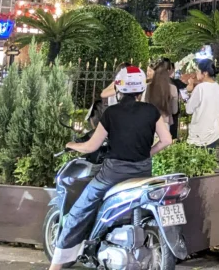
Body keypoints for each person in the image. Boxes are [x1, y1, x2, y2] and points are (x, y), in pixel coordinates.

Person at [48, 66, 171, 270]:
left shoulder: (111, 113)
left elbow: (92, 146)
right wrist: (145, 154)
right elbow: (166, 140)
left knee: (79, 211)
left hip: (112, 175)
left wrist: (72, 146)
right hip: (143, 174)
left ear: (119, 87)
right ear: (141, 89)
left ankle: (56, 267)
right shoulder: (151, 111)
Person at [185, 59, 219, 149]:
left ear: (205, 73)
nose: (196, 73)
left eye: (198, 71)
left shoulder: (200, 88)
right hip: (214, 134)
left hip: (199, 135)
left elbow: (189, 110)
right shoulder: (217, 87)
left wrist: (188, 93)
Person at [144, 61, 179, 128]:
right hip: (165, 123)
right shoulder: (172, 88)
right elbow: (174, 110)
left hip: (149, 122)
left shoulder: (148, 87)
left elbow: (144, 104)